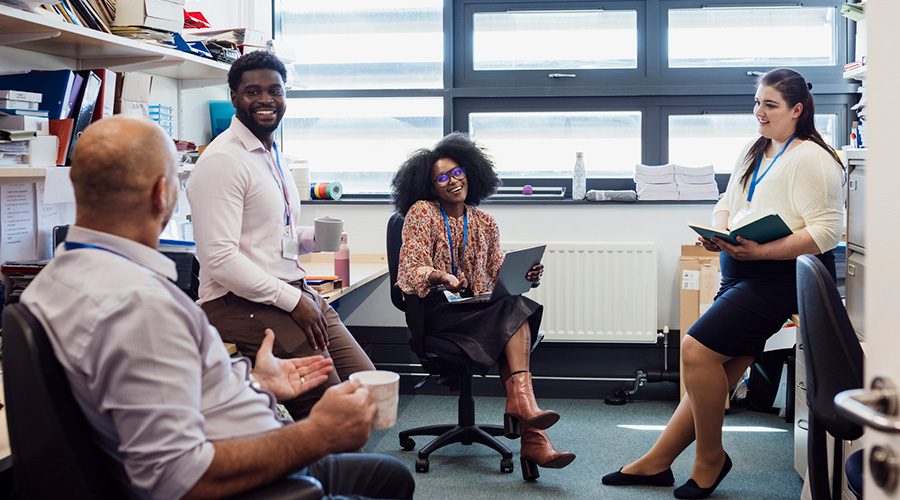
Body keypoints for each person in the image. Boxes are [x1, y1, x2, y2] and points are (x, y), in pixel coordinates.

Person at [21, 115, 414, 500]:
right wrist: (319, 434)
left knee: (388, 474)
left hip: (237, 442)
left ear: (75, 184)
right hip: (253, 477)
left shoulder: (49, 283)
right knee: (387, 481)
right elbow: (179, 479)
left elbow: (152, 394)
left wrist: (259, 385)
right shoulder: (140, 306)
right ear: (163, 193)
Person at [603, 68, 844, 499]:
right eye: (757, 103)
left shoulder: (813, 158)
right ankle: (658, 462)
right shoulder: (757, 149)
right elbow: (727, 202)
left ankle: (710, 459)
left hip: (778, 278)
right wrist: (718, 233)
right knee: (714, 373)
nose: (759, 112)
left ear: (797, 109)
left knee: (695, 351)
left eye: (769, 105)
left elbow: (825, 233)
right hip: (741, 271)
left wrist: (759, 252)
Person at [187, 51, 374, 419]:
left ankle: (339, 468)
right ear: (234, 97)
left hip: (291, 291)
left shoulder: (271, 154)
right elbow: (220, 259)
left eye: (275, 90)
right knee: (334, 411)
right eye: (253, 91)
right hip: (238, 303)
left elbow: (270, 234)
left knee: (367, 386)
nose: (266, 100)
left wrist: (310, 239)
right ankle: (320, 471)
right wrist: (293, 300)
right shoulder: (223, 161)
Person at [391, 132, 576, 477]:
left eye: (457, 171)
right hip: (437, 312)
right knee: (514, 317)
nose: (453, 181)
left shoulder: (485, 222)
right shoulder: (422, 213)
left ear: (469, 172)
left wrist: (527, 273)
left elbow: (496, 270)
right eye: (442, 178)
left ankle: (529, 422)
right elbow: (410, 268)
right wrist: (440, 276)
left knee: (516, 302)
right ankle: (530, 425)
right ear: (431, 188)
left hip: (473, 308)